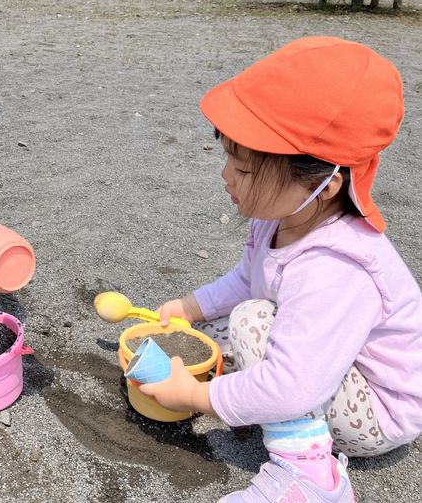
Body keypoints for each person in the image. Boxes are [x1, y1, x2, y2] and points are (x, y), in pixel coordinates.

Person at [139, 36, 422, 502]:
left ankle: (312, 477)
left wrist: (194, 399)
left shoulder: (337, 265)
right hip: (332, 366)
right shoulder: (282, 215)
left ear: (324, 185)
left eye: (246, 170)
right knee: (224, 323)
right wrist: (188, 307)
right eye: (229, 156)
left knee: (252, 321)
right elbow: (246, 277)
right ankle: (251, 393)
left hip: (375, 412)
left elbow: (294, 388)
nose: (227, 176)